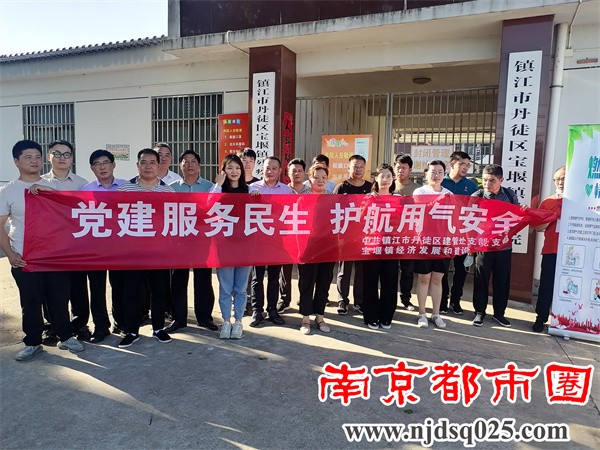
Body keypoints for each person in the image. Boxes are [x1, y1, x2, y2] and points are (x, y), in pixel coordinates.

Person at [0, 140, 84, 360]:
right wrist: (10, 254)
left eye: (37, 156)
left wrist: (51, 192)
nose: (34, 161)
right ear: (16, 161)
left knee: (59, 299)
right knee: (30, 301)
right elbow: (0, 226)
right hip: (25, 257)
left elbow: (71, 214)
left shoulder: (54, 186)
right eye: (28, 157)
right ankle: (32, 342)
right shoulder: (8, 191)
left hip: (56, 256)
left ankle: (65, 336)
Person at [116, 148, 175, 347]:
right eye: (144, 162)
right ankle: (132, 331)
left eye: (152, 162)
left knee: (159, 290)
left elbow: (173, 218)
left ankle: (158, 328)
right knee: (131, 292)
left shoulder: (168, 191)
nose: (148, 166)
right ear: (137, 165)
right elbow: (117, 217)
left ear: (158, 165)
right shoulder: (125, 189)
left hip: (159, 250)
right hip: (132, 250)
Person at [42, 140, 91, 342]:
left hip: (75, 246)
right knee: (52, 289)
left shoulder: (82, 184)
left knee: (78, 288)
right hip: (50, 247)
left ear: (72, 158)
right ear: (49, 157)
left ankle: (80, 325)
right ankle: (52, 326)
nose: (62, 158)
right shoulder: (39, 183)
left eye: (66, 154)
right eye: (57, 153)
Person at [166, 150, 217, 333]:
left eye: (193, 161)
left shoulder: (210, 187)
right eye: (185, 161)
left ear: (199, 165)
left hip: (202, 239)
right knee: (178, 280)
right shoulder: (171, 188)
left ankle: (204, 318)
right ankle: (178, 318)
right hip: (179, 240)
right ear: (180, 166)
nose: (189, 165)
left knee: (203, 279)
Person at [81, 149, 127, 343]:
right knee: (97, 288)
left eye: (105, 162)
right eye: (97, 164)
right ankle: (101, 327)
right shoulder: (85, 190)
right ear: (92, 168)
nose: (102, 167)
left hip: (120, 246)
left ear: (113, 165)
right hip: (95, 248)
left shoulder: (126, 187)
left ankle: (121, 323)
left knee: (120, 286)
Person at [212, 154, 259, 338]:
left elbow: (259, 213)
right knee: (225, 287)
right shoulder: (218, 190)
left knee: (240, 288)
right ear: (223, 170)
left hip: (245, 247)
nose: (234, 171)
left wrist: (257, 199)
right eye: (230, 167)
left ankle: (238, 322)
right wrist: (217, 185)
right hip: (224, 246)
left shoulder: (250, 190)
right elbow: (208, 206)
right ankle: (226, 322)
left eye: (237, 167)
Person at [471, 164, 521, 328]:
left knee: (502, 280)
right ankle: (479, 312)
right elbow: (468, 220)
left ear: (501, 180)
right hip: (483, 246)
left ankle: (499, 314)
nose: (487, 184)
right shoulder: (477, 196)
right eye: (484, 180)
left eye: (492, 180)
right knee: (481, 279)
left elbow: (517, 216)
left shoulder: (509, 195)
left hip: (503, 246)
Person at [249, 156, 293, 327]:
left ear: (280, 171)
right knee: (257, 277)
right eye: (267, 168)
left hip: (277, 239)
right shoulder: (253, 188)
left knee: (274, 277)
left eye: (274, 168)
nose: (270, 171)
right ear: (262, 169)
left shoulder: (286, 190)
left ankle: (272, 310)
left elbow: (289, 214)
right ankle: (256, 311)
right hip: (257, 239)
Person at [413, 160, 452, 329]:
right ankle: (422, 313)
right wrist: (438, 201)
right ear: (426, 174)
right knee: (424, 279)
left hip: (442, 242)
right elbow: (419, 212)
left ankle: (436, 314)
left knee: (437, 279)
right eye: (433, 172)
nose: (436, 175)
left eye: (440, 172)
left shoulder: (449, 193)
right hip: (424, 241)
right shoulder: (419, 192)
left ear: (444, 174)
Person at [298, 164, 335, 334]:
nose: (320, 181)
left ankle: (320, 316)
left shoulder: (333, 198)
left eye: (324, 178)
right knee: (307, 282)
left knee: (324, 281)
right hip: (308, 245)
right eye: (316, 177)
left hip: (328, 245)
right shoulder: (302, 197)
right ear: (310, 179)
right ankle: (305, 318)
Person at [333, 154, 372, 315]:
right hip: (346, 235)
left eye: (361, 166)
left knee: (362, 270)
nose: (358, 169)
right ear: (348, 168)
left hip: (365, 235)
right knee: (344, 270)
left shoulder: (371, 187)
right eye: (355, 166)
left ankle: (360, 301)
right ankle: (342, 300)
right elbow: (332, 210)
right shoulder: (341, 188)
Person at [440, 151, 478, 314]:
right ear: (452, 164)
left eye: (468, 165)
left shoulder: (471, 186)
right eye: (462, 164)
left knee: (461, 270)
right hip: (443, 234)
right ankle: (442, 300)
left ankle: (456, 300)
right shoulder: (441, 182)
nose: (465, 168)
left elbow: (477, 211)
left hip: (463, 234)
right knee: (441, 269)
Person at [362, 163, 399, 330]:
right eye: (382, 176)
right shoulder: (367, 198)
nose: (385, 180)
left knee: (390, 282)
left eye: (388, 176)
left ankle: (386, 316)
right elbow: (359, 220)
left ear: (393, 179)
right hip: (371, 247)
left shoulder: (398, 199)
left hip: (392, 247)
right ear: (375, 178)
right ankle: (371, 316)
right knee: (370, 282)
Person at [532, 167, 565, 333]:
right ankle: (541, 317)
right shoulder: (548, 202)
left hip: (575, 253)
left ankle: (567, 320)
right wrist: (552, 218)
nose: (560, 182)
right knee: (546, 285)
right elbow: (537, 227)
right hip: (552, 250)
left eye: (564, 179)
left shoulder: (582, 203)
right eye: (557, 179)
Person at [277, 158, 309, 313]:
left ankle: (304, 300)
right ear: (288, 173)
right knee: (285, 271)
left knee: (305, 271)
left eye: (299, 170)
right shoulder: (282, 190)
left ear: (305, 173)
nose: (297, 173)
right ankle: (284, 300)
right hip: (287, 236)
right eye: (293, 171)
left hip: (305, 237)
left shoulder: (311, 191)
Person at [394, 154, 420, 312]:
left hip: (409, 236)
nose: (400, 170)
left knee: (407, 270)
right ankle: (389, 298)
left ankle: (406, 298)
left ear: (410, 169)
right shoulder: (388, 185)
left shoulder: (417, 189)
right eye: (397, 167)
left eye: (403, 168)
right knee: (389, 270)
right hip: (390, 235)